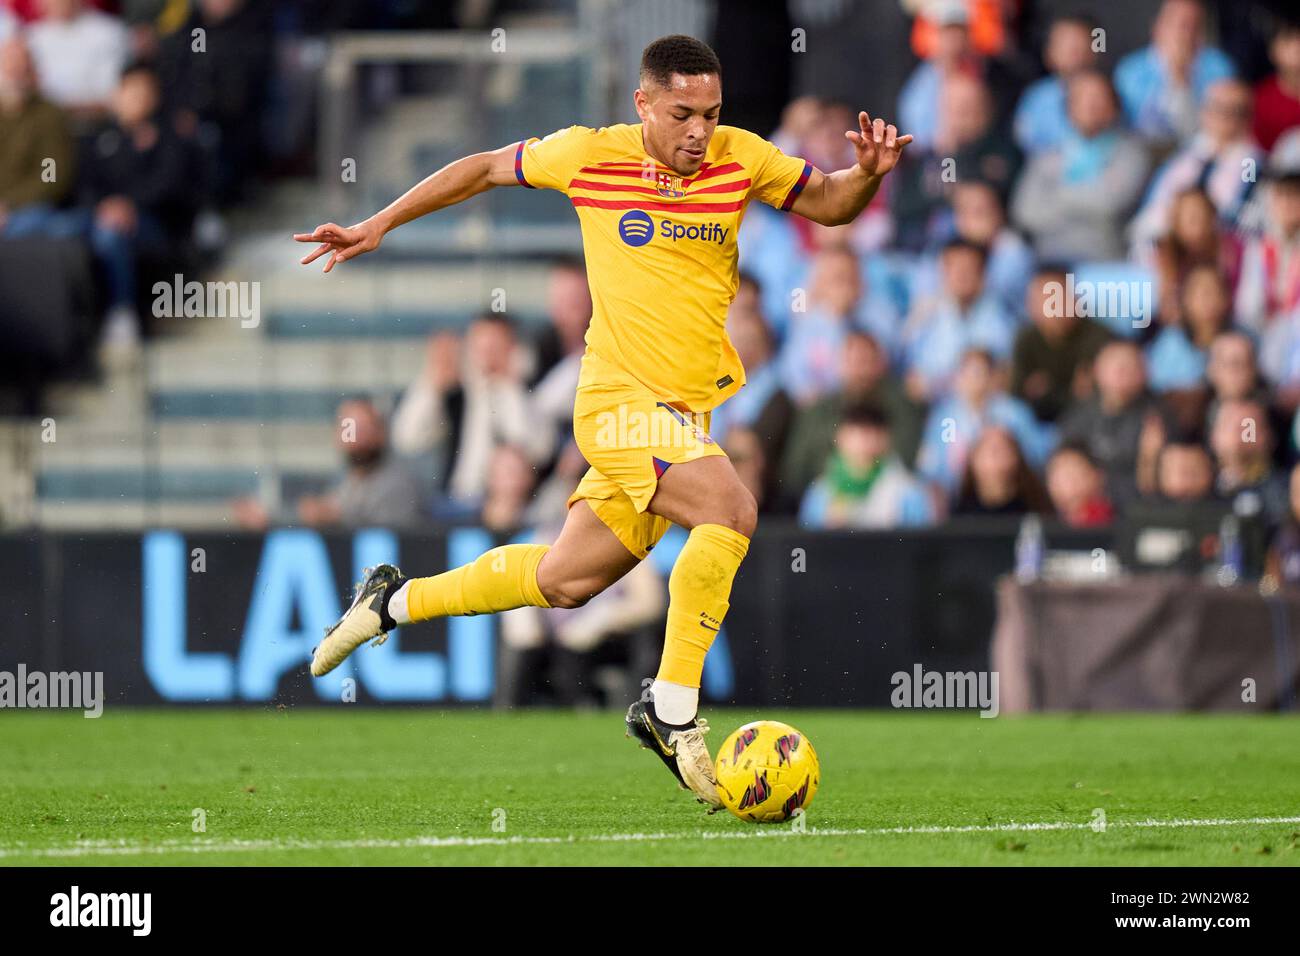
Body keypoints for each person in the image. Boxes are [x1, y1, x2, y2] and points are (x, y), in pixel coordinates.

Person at [294, 35, 913, 810]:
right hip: (617, 407)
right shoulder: (589, 155)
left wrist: (866, 177)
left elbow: (828, 202)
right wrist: (378, 222)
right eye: (683, 113)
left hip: (683, 416)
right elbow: (483, 168)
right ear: (643, 104)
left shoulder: (742, 156)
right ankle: (672, 706)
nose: (699, 131)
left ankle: (389, 602)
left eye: (712, 113)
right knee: (731, 508)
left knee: (566, 580)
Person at [1011, 69, 1150, 262]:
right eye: (1082, 98)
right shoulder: (1049, 155)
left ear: (1115, 107)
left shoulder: (1131, 154)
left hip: (1106, 260)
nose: (1090, 105)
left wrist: (1057, 195)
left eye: (1098, 98)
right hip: (1049, 259)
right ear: (1068, 107)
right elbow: (1026, 211)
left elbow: (1108, 205)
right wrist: (1087, 196)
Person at [1113, 0, 1235, 146]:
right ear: (1158, 27)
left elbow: (1224, 123)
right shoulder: (1130, 70)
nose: (1187, 35)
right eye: (1181, 25)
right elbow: (1122, 126)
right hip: (1140, 150)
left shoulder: (1219, 66)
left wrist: (1180, 76)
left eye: (1195, 26)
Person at [797, 404, 934, 529]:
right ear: (840, 438)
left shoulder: (908, 492)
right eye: (856, 434)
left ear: (886, 439)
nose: (864, 443)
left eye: (872, 434)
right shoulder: (821, 492)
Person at [1010, 265, 1113, 422]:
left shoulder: (1100, 338)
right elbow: (1017, 389)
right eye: (1043, 300)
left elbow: (1095, 394)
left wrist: (1049, 391)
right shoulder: (1026, 338)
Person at [952, 425, 1052, 517]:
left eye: (1003, 448)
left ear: (1016, 457)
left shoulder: (1036, 510)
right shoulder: (959, 513)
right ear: (973, 459)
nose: (995, 456)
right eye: (988, 448)